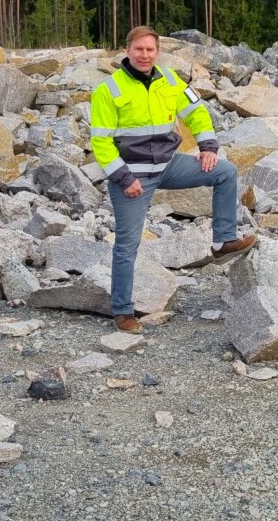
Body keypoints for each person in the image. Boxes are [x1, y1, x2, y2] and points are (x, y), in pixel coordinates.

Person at [90, 26, 256, 334]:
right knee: (127, 245)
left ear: (157, 52)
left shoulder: (169, 80)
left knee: (225, 171)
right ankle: (123, 312)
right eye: (139, 49)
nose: (145, 55)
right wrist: (124, 177)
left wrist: (207, 147)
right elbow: (100, 142)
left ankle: (223, 241)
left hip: (168, 165)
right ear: (127, 50)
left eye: (150, 50)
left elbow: (196, 111)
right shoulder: (108, 90)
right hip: (133, 177)